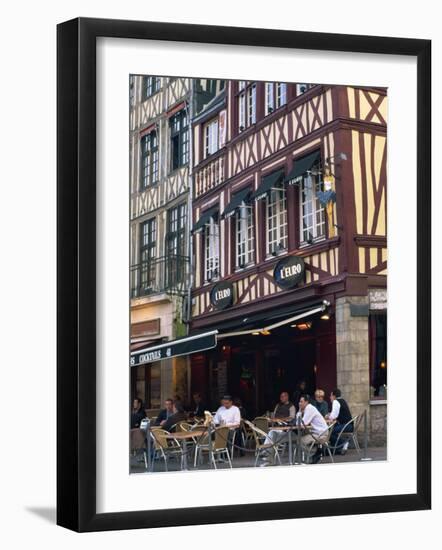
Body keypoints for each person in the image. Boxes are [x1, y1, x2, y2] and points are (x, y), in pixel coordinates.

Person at [298, 394, 329, 463]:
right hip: (319, 432)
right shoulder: (309, 408)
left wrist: (299, 411)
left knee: (300, 440)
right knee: (302, 438)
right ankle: (316, 452)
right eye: (299, 402)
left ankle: (316, 453)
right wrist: (300, 411)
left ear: (306, 402)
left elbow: (303, 424)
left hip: (321, 434)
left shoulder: (309, 408)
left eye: (301, 401)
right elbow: (301, 422)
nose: (299, 403)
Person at [326, 388, 353, 453]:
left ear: (334, 396)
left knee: (328, 432)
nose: (330, 397)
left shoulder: (336, 401)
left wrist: (327, 416)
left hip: (346, 425)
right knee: (331, 430)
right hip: (349, 425)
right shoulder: (342, 400)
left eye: (331, 396)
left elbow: (333, 416)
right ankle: (336, 448)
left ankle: (343, 443)